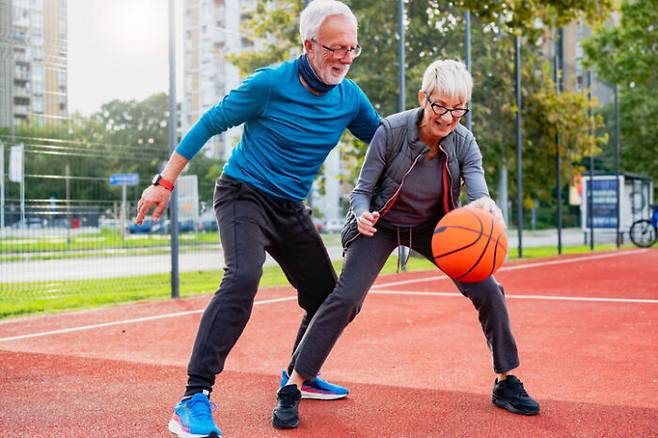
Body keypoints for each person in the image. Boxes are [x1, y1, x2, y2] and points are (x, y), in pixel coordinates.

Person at [134, 1, 380, 436]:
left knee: (329, 297)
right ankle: (193, 398)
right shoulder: (269, 84)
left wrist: (433, 132)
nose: (344, 58)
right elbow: (209, 123)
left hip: (290, 207)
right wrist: (164, 183)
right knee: (243, 277)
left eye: (352, 49)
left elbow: (384, 141)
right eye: (335, 48)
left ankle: (298, 374)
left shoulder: (350, 99)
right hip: (243, 194)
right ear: (308, 45)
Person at [276, 59, 540, 428]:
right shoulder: (391, 130)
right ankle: (293, 384)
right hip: (380, 225)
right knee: (346, 298)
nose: (448, 117)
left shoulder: (464, 142)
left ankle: (506, 380)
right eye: (441, 106)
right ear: (423, 98)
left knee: (490, 290)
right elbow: (362, 190)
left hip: (435, 228)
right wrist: (364, 214)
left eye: (458, 109)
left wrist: (485, 206)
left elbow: (477, 189)